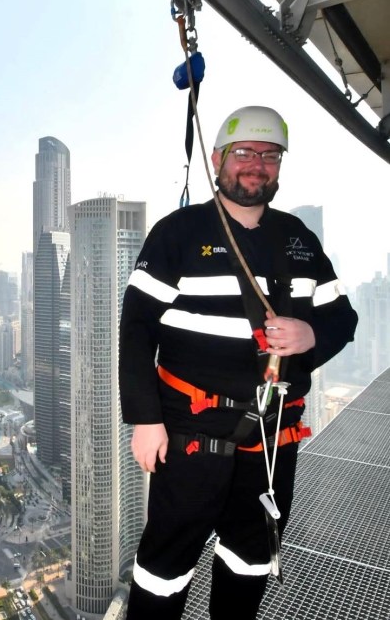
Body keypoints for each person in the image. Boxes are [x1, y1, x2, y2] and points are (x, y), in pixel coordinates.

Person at [119, 105, 358, 620]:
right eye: (245, 153)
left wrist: (310, 333)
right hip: (190, 434)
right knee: (165, 567)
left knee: (250, 559)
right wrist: (145, 419)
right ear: (218, 159)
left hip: (273, 439)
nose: (257, 164)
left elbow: (343, 318)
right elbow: (137, 328)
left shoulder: (300, 240)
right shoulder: (177, 233)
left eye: (269, 155)